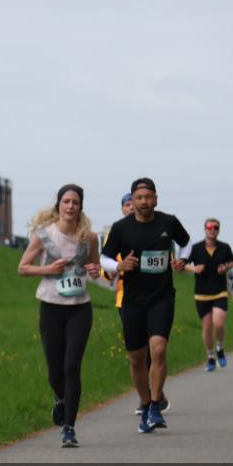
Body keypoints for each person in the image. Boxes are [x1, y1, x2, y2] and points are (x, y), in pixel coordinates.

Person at [100, 178, 190, 434]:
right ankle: (144, 401)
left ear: (156, 199)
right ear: (132, 200)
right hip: (133, 301)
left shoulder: (168, 222)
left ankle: (154, 406)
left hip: (162, 297)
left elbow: (186, 242)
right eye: (138, 198)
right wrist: (119, 266)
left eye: (148, 197)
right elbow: (105, 257)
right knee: (136, 359)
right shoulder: (120, 229)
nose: (143, 202)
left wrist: (182, 261)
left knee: (158, 349)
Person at [18, 184, 101, 448]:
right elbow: (22, 268)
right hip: (51, 307)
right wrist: (49, 269)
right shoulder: (44, 235)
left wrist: (95, 270)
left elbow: (95, 267)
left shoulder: (89, 237)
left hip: (80, 308)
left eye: (75, 202)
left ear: (80, 206)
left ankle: (69, 428)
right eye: (66, 201)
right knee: (55, 372)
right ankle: (61, 399)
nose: (70, 206)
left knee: (72, 366)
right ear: (58, 205)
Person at [100, 193, 171, 414]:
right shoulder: (119, 231)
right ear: (122, 208)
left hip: (157, 296)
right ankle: (148, 397)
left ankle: (154, 398)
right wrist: (116, 270)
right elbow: (107, 267)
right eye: (127, 204)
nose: (132, 207)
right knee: (140, 354)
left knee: (155, 350)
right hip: (126, 298)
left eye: (135, 203)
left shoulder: (155, 228)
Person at [186, 218, 233, 370]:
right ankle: (210, 357)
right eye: (209, 227)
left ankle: (220, 348)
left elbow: (232, 261)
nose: (212, 230)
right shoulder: (196, 248)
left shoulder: (224, 247)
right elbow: (183, 264)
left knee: (219, 323)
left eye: (215, 227)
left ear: (218, 230)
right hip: (201, 294)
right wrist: (194, 269)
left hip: (220, 292)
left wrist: (226, 267)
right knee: (207, 327)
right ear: (204, 229)